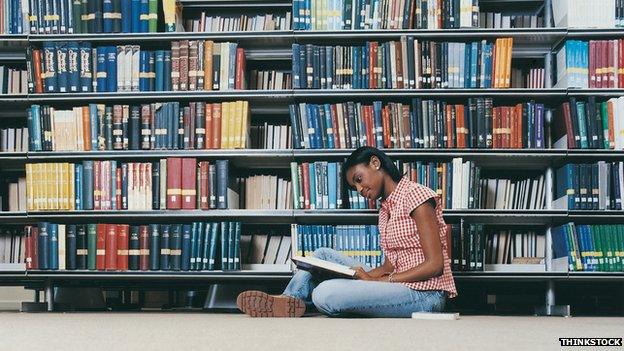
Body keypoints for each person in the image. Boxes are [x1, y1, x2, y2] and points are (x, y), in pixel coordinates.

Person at [236, 146, 457, 317]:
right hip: (398, 281)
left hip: (424, 294)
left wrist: (380, 282)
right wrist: (368, 276)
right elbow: (391, 265)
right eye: (355, 187)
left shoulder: (416, 195)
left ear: (375, 162)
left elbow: (435, 265)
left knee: (325, 293)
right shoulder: (386, 208)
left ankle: (304, 300)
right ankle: (289, 300)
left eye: (359, 180)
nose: (360, 190)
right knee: (322, 254)